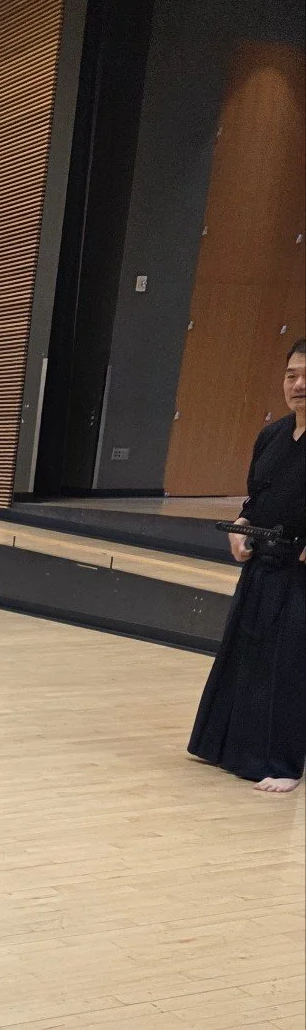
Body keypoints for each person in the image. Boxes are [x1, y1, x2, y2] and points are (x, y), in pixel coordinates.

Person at [188, 339, 306, 793]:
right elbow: (255, 501)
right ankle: (224, 746)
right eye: (291, 375)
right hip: (263, 565)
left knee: (291, 665)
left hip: (301, 573)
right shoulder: (272, 436)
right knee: (245, 656)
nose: (298, 385)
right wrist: (241, 527)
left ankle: (283, 763)